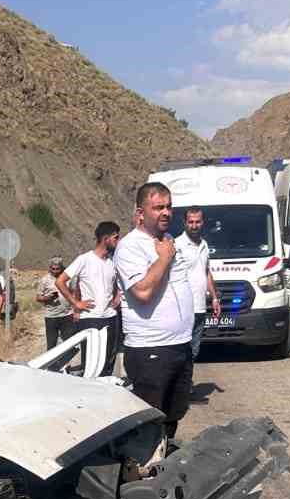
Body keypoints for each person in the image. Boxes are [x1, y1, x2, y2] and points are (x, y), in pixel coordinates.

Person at [113, 182, 195, 439]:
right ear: (140, 212)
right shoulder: (130, 246)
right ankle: (142, 472)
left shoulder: (168, 241)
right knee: (149, 421)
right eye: (158, 207)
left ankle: (164, 462)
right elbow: (143, 292)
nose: (166, 212)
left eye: (169, 207)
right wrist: (163, 259)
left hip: (180, 344)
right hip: (151, 349)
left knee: (173, 414)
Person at [55, 221, 122, 376]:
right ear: (105, 239)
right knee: (91, 365)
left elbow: (116, 285)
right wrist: (76, 303)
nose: (118, 241)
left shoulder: (112, 263)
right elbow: (60, 281)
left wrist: (117, 295)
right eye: (116, 237)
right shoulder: (84, 259)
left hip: (110, 318)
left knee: (107, 364)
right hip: (90, 319)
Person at [177, 207, 222, 359]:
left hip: (200, 308)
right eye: (191, 222)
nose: (194, 225)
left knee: (194, 351)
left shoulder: (204, 245)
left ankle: (186, 382)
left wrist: (214, 298)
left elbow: (206, 272)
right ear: (185, 223)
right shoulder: (177, 245)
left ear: (202, 223)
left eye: (197, 222)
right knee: (180, 352)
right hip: (182, 309)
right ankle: (179, 383)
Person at [36, 254, 73, 349]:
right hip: (51, 316)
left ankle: (66, 363)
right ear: (50, 268)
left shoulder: (68, 278)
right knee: (51, 345)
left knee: (68, 344)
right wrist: (47, 298)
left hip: (67, 315)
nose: (55, 271)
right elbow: (38, 297)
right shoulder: (45, 280)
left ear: (61, 268)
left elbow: (74, 292)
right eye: (53, 269)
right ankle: (52, 364)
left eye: (58, 269)